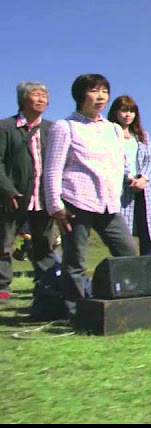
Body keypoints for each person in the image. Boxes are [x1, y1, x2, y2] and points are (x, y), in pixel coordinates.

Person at [40, 74, 139, 320]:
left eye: (104, 91)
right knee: (75, 261)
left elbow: (119, 164)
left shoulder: (113, 129)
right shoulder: (65, 127)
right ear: (80, 95)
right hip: (76, 201)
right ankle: (74, 311)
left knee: (128, 252)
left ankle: (126, 302)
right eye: (94, 91)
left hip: (108, 204)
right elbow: (52, 169)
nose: (101, 96)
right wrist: (55, 205)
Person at [0, 82, 53, 307]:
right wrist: (7, 189)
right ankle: (2, 290)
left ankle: (47, 288)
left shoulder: (52, 129)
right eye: (36, 95)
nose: (42, 99)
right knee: (4, 245)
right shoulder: (6, 127)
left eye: (44, 96)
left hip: (42, 198)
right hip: (12, 198)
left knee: (44, 245)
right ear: (23, 99)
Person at [108, 95, 151, 256]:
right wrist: (128, 177)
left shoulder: (142, 135)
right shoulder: (110, 134)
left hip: (144, 188)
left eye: (131, 111)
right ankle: (126, 266)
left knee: (146, 231)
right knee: (123, 234)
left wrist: (143, 178)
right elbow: (113, 158)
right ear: (116, 112)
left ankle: (148, 265)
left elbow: (150, 159)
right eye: (124, 110)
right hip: (122, 188)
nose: (128, 115)